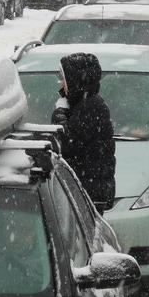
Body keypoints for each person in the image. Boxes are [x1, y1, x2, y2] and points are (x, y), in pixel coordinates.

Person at [51, 52, 116, 211]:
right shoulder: (82, 104)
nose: (61, 84)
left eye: (64, 80)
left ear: (76, 81)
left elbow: (67, 143)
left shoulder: (91, 107)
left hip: (88, 193)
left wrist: (60, 114)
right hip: (85, 189)